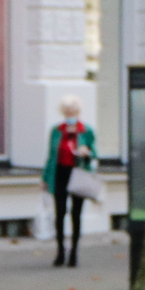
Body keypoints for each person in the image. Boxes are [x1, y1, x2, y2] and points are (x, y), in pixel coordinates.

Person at [43, 98, 96, 267]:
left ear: (78, 113)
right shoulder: (56, 131)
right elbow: (50, 156)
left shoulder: (86, 130)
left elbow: (94, 152)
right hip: (60, 173)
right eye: (67, 112)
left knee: (76, 214)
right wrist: (45, 178)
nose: (69, 115)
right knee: (60, 213)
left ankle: (74, 252)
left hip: (78, 173)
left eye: (72, 112)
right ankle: (60, 252)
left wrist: (86, 152)